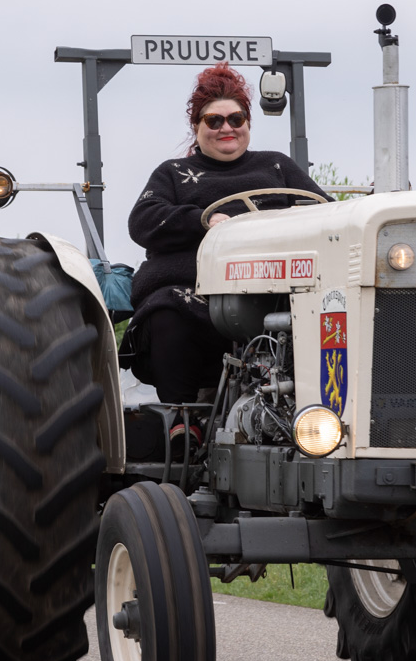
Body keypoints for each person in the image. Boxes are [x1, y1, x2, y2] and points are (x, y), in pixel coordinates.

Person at [127, 63, 329, 420]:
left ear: (248, 123)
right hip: (195, 296)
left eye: (236, 119)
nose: (226, 128)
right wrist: (203, 220)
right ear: (197, 126)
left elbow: (323, 212)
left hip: (276, 292)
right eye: (214, 121)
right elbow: (143, 220)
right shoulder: (172, 174)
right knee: (166, 311)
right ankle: (182, 419)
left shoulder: (277, 167)